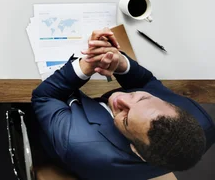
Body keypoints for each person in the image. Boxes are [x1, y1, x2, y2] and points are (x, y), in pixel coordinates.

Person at [32, 28, 215, 180]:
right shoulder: (201, 121)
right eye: (143, 98)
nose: (120, 99)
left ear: (136, 150)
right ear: (174, 106)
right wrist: (119, 61)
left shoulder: (77, 142)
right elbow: (146, 83)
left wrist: (87, 64)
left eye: (126, 118)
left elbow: (44, 97)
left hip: (49, 130)